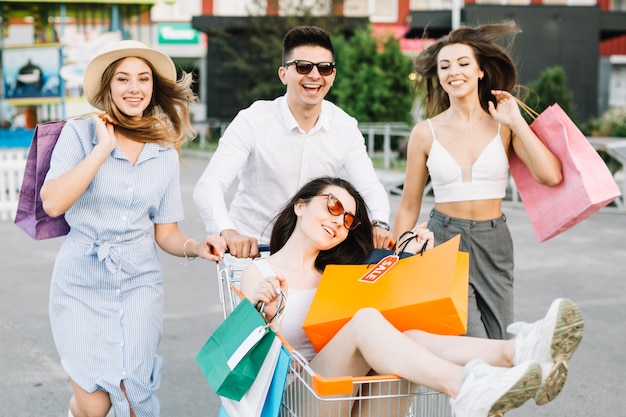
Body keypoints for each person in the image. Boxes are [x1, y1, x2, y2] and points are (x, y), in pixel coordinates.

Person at [239, 176, 584, 417]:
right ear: (300, 205)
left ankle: (516, 351)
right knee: (366, 322)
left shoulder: (340, 273)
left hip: (355, 400)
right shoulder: (261, 273)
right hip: (296, 404)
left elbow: (392, 309)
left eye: (347, 220)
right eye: (331, 207)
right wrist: (263, 316)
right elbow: (242, 361)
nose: (339, 222)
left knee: (404, 335)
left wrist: (411, 253)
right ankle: (464, 387)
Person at [40, 40, 227, 417]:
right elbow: (53, 202)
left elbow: (166, 233)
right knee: (94, 406)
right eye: (123, 78)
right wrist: (101, 149)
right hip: (80, 282)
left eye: (143, 78)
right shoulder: (78, 135)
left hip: (139, 282)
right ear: (108, 86)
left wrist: (195, 246)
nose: (134, 87)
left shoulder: (164, 151)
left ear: (153, 88)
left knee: (132, 398)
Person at [393, 21, 563, 339]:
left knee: (501, 341)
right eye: (444, 66)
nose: (453, 71)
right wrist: (397, 259)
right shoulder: (424, 132)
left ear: (480, 70)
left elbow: (551, 175)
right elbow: (408, 206)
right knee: (470, 342)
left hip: (494, 240)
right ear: (439, 76)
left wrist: (516, 120)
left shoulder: (505, 126)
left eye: (462, 63)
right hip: (443, 239)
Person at [193, 25, 393, 269]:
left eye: (325, 68)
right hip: (254, 253)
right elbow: (210, 184)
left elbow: (370, 187)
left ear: (333, 75)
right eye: (303, 66)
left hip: (314, 256)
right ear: (283, 74)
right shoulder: (253, 120)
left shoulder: (345, 127)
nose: (314, 75)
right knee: (257, 306)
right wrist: (229, 232)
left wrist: (379, 223)